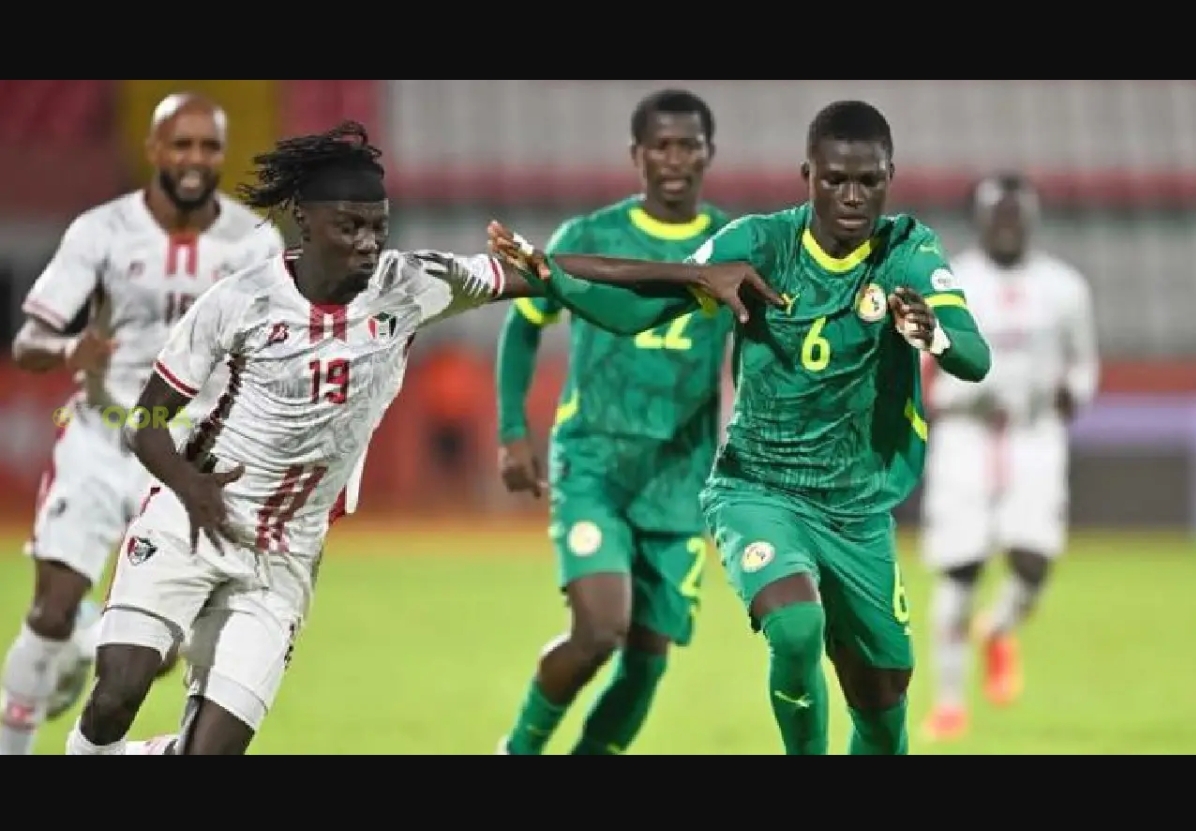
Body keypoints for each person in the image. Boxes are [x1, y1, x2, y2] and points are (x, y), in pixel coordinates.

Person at [63, 121, 771, 756]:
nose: (368, 243)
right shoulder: (238, 302)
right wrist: (188, 485)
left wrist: (691, 275)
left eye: (379, 226)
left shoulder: (411, 283)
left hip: (284, 556)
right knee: (118, 691)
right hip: (189, 521)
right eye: (350, 227)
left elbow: (551, 278)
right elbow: (147, 420)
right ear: (304, 219)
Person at [490, 99, 993, 755]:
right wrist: (552, 276)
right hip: (758, 487)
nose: (852, 196)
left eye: (868, 181)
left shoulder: (907, 250)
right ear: (807, 175)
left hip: (856, 508)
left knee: (881, 703)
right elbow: (636, 311)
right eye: (835, 179)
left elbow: (974, 356)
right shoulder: (758, 244)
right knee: (794, 628)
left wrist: (934, 336)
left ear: (889, 177)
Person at [0, 92, 284, 756]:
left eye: (209, 146)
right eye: (181, 144)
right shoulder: (100, 232)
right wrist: (68, 348)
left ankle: (86, 640)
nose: (195, 158)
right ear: (154, 149)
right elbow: (29, 340)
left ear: (223, 154)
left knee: (156, 653)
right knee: (48, 609)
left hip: (187, 460)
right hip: (101, 439)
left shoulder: (254, 243)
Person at [493, 90, 734, 756]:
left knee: (647, 662)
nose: (675, 159)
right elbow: (523, 326)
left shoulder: (733, 244)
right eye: (661, 145)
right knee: (600, 629)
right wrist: (512, 430)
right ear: (637, 154)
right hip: (594, 464)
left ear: (709, 153)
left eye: (689, 145)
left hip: (681, 478)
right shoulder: (588, 238)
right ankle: (517, 749)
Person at [919, 173, 1099, 742]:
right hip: (965, 438)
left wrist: (1073, 394)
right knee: (961, 569)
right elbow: (922, 362)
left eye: (1016, 217)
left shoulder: (1064, 287)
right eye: (997, 216)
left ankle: (997, 628)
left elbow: (1084, 363)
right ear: (979, 219)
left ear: (1031, 220)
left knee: (1033, 562)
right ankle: (949, 704)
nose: (1007, 227)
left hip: (1033, 435)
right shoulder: (951, 282)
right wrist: (943, 398)